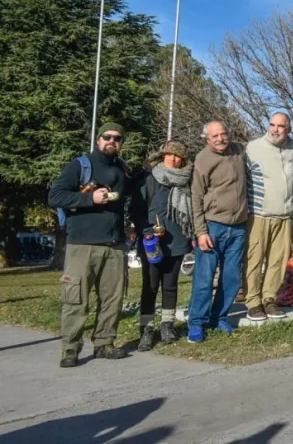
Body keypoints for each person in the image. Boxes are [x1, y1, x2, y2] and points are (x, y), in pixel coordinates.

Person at [48, 122, 135, 367]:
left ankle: (104, 344)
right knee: (76, 299)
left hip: (114, 245)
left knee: (113, 299)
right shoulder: (80, 165)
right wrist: (90, 198)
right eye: (107, 137)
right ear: (98, 140)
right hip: (82, 245)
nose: (112, 141)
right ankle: (70, 350)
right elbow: (55, 196)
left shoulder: (121, 168)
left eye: (117, 138)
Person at [188, 120, 249, 343]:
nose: (220, 138)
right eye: (215, 136)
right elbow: (195, 197)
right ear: (207, 139)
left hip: (238, 227)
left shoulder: (239, 151)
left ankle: (219, 317)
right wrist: (200, 231)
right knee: (204, 278)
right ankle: (197, 323)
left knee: (231, 277)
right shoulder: (203, 160)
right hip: (213, 226)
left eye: (223, 134)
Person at [244, 113, 293, 322]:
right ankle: (253, 302)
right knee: (254, 260)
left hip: (285, 216)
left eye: (281, 126)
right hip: (259, 214)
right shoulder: (252, 148)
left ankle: (269, 298)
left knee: (278, 261)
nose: (275, 129)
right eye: (272, 125)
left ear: (289, 129)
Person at [137, 140, 193, 352]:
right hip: (152, 241)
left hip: (176, 240)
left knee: (170, 285)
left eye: (178, 156)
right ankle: (146, 328)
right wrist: (147, 230)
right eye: (169, 154)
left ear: (183, 160)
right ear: (162, 156)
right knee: (150, 286)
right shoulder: (150, 179)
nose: (173, 158)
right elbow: (137, 209)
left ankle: (167, 325)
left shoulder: (186, 180)